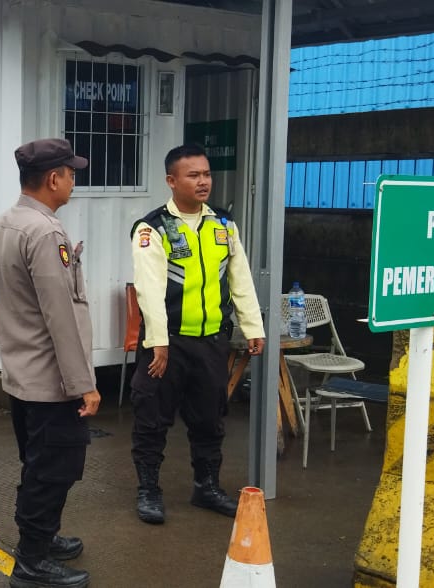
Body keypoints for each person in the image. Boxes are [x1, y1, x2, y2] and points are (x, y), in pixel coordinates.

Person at [0, 138, 101, 588]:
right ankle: (32, 562)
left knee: (39, 465)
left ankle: (43, 537)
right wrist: (84, 383)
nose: (73, 181)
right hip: (53, 382)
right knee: (53, 471)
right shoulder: (46, 233)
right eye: (70, 174)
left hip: (21, 374)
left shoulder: (2, 224)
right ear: (53, 179)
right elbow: (61, 315)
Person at [128, 144, 266, 524]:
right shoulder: (152, 229)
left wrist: (252, 326)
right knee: (152, 420)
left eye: (206, 174)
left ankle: (206, 487)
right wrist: (158, 343)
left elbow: (240, 279)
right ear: (172, 181)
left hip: (210, 343)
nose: (203, 181)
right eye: (193, 175)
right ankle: (149, 491)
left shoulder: (224, 225)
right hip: (167, 344)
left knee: (210, 419)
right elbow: (149, 291)